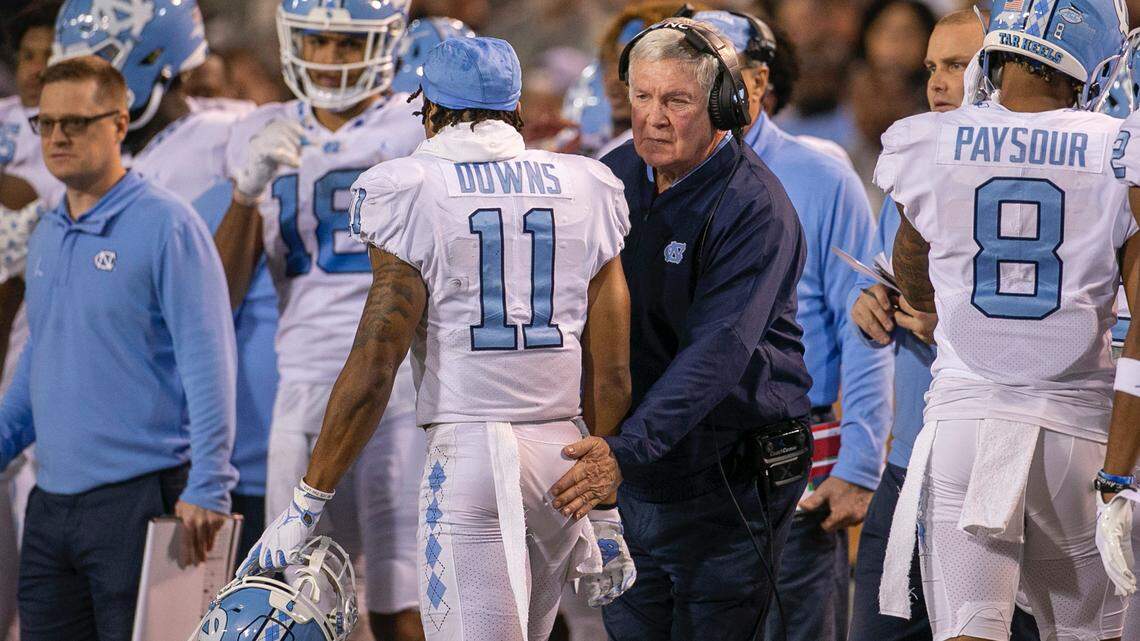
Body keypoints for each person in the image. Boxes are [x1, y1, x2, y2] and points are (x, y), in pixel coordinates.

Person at [238, 35, 635, 641]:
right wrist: (606, 512)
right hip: (568, 457)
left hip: (473, 454)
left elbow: (377, 360)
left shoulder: (411, 185)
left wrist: (307, 502)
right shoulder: (587, 183)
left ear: (430, 110)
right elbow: (610, 371)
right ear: (517, 109)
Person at [876, 0, 1136, 638]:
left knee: (970, 628)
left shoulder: (932, 139)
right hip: (1076, 431)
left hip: (962, 420)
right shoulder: (1119, 148)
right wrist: (1120, 474)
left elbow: (916, 287)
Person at [563, 17, 812, 641]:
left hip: (728, 473)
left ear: (725, 107)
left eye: (676, 100)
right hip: (636, 465)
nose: (654, 117)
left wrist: (625, 448)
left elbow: (717, 351)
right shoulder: (611, 176)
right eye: (643, 97)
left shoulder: (755, 205)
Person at [0, 56, 237, 641]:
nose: (56, 137)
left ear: (120, 123)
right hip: (51, 508)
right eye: (45, 123)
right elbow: (40, 359)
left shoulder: (167, 226)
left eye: (75, 123)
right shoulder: (50, 231)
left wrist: (210, 481)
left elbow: (208, 358)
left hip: (140, 502)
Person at [214, 2, 426, 638]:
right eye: (317, 41)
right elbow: (220, 292)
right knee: (292, 596)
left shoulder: (419, 125)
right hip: (302, 384)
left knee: (399, 590)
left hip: (400, 386)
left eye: (344, 43)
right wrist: (245, 194)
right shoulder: (260, 129)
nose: (329, 60)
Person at [50, 0, 276, 566]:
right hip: (144, 444)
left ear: (153, 57)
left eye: (95, 63)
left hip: (225, 447)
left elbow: (210, 303)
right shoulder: (112, 156)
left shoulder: (226, 140)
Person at [691, 10, 892, 641]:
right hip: (684, 459)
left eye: (710, 74)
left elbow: (865, 324)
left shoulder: (820, 174)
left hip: (794, 460)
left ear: (757, 81)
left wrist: (859, 463)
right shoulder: (644, 175)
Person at [847, 10, 1040, 641]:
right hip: (908, 464)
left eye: (957, 65)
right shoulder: (916, 165)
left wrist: (951, 328)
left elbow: (1051, 336)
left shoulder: (1037, 182)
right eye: (932, 66)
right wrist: (870, 302)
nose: (937, 81)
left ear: (1004, 72)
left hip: (1000, 467)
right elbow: (885, 278)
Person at [0, 4, 64, 637]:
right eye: (25, 55)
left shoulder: (84, 125)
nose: (35, 67)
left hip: (40, 332)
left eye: (49, 53)